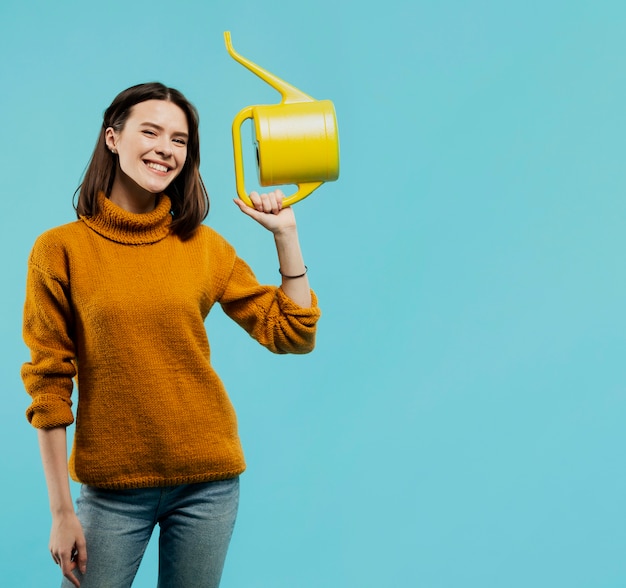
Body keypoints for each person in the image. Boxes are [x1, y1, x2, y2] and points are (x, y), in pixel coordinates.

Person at [21, 82, 321, 588]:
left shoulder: (203, 247)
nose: (166, 148)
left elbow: (290, 334)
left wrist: (286, 238)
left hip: (208, 484)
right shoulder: (59, 251)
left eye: (180, 140)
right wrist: (60, 511)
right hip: (111, 490)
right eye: (151, 131)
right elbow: (49, 385)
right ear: (113, 139)